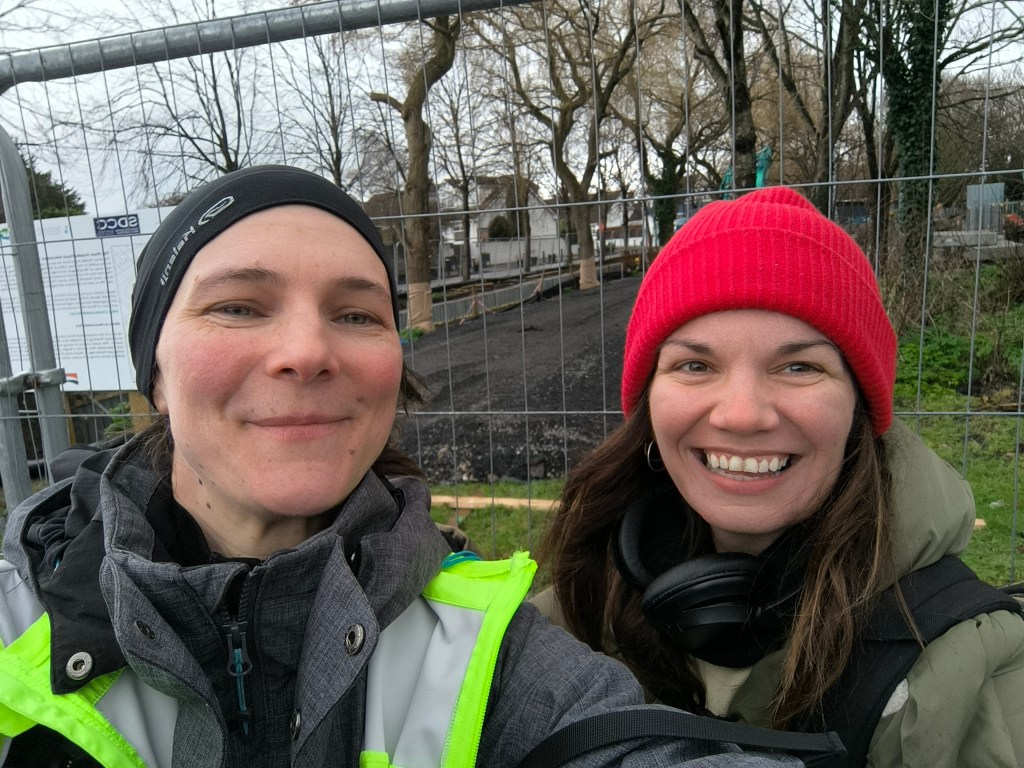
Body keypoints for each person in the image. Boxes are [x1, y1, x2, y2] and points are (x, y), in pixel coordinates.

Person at [0, 165, 805, 768]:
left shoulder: (489, 650)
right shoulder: (14, 618)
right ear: (154, 371)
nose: (308, 350)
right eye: (239, 306)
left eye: (355, 314)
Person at [537, 186, 1024, 768]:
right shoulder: (580, 604)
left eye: (798, 366)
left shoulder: (967, 675)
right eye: (695, 364)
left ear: (859, 409)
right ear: (649, 401)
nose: (742, 415)